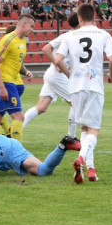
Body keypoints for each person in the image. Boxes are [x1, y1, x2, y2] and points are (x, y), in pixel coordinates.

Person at [54, 4, 112, 183]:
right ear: (94, 17)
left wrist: (69, 73)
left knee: (84, 128)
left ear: (79, 18)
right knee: (94, 130)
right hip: (94, 85)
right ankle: (81, 159)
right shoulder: (103, 34)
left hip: (75, 86)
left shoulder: (69, 35)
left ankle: (90, 169)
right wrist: (111, 75)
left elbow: (58, 59)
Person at [22, 14, 80, 146]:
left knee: (41, 107)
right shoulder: (68, 36)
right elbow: (46, 48)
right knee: (77, 102)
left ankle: (14, 132)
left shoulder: (69, 36)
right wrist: (56, 63)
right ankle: (71, 137)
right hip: (57, 76)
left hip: (51, 75)